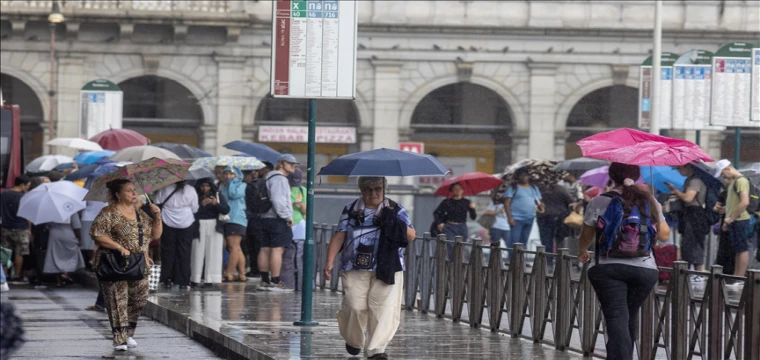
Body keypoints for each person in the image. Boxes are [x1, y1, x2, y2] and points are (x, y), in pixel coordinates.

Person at [578, 163, 670, 360]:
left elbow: (587, 234)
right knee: (629, 314)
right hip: (645, 269)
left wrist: (582, 250)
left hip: (608, 267)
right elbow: (663, 235)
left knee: (617, 315)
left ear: (612, 176)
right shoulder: (649, 200)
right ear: (637, 176)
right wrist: (659, 212)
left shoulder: (599, 201)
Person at [324, 176, 415, 359]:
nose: (373, 193)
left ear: (384, 189)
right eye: (368, 189)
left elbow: (411, 235)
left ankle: (376, 350)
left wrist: (391, 220)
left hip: (387, 267)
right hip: (354, 265)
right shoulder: (351, 209)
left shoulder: (395, 209)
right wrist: (329, 261)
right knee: (354, 306)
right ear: (361, 190)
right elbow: (340, 235)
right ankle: (354, 340)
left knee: (382, 309)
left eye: (378, 189)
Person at [90, 179, 162, 351]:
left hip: (138, 263)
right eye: (129, 191)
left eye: (134, 190)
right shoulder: (108, 212)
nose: (133, 193)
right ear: (118, 194)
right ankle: (120, 338)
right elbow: (97, 234)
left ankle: (129, 333)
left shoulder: (140, 214)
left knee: (139, 298)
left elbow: (155, 235)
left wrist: (157, 216)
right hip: (115, 263)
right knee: (117, 300)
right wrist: (119, 247)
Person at [257, 154, 297, 291]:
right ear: (281, 164)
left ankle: (264, 280)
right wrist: (287, 217)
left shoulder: (268, 177)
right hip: (277, 218)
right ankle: (275, 281)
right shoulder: (280, 179)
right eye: (290, 163)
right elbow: (278, 200)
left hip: (264, 217)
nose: (293, 166)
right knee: (277, 249)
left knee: (265, 248)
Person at [666, 164, 709, 279]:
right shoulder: (688, 180)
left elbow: (688, 198)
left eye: (680, 168)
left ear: (688, 167)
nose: (679, 171)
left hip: (695, 215)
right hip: (688, 215)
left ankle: (698, 274)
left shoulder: (695, 181)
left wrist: (675, 191)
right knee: (687, 245)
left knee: (694, 244)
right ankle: (689, 271)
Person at [155, 181, 199, 289]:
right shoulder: (190, 189)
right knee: (184, 252)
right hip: (187, 221)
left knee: (167, 251)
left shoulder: (165, 188)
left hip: (167, 220)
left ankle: (167, 278)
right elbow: (195, 208)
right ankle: (184, 280)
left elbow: (157, 202)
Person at [714, 160, 751, 285]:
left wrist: (732, 217)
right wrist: (727, 221)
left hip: (739, 219)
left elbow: (744, 202)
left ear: (727, 169)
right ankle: (736, 276)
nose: (724, 176)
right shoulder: (735, 182)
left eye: (723, 173)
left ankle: (740, 277)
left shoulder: (741, 181)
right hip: (734, 220)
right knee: (737, 249)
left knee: (742, 248)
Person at [191, 179, 229, 286]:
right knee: (197, 252)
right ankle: (195, 278)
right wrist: (201, 204)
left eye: (207, 186)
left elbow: (226, 210)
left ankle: (211, 278)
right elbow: (192, 211)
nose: (205, 188)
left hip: (214, 225)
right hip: (199, 225)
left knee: (214, 252)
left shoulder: (218, 196)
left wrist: (215, 204)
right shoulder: (196, 196)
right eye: (203, 186)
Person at [245, 161, 274, 278]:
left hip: (254, 218)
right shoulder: (267, 184)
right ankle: (260, 271)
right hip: (262, 218)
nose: (256, 172)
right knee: (258, 246)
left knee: (256, 246)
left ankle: (256, 269)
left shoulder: (255, 184)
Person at [0, 175, 32, 281]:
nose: (27, 188)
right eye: (27, 186)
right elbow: (28, 215)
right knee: (19, 253)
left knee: (5, 252)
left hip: (5, 227)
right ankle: (17, 275)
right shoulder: (24, 197)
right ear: (22, 184)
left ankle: (5, 275)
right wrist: (29, 229)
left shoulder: (3, 194)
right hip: (21, 228)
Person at [43, 211, 85, 287]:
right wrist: (79, 238)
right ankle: (65, 273)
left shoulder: (51, 209)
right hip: (68, 232)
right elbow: (76, 225)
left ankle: (58, 281)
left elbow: (47, 225)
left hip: (54, 234)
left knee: (55, 256)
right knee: (69, 254)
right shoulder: (71, 208)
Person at [434, 182, 477, 258]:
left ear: (463, 190)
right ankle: (451, 266)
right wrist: (439, 223)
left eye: (460, 188)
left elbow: (473, 217)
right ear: (451, 191)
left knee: (461, 247)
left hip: (462, 227)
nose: (458, 190)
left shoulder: (466, 202)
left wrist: (472, 208)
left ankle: (459, 266)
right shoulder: (446, 202)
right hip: (449, 227)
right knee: (451, 246)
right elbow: (437, 213)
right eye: (455, 189)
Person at [220, 166, 248, 282]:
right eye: (226, 174)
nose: (228, 177)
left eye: (231, 174)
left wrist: (232, 183)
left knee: (233, 247)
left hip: (236, 219)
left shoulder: (242, 185)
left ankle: (229, 273)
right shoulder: (223, 186)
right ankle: (242, 274)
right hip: (227, 219)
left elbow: (233, 195)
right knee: (237, 248)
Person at [504, 169, 544, 249]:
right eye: (521, 175)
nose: (523, 177)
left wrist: (541, 206)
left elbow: (539, 201)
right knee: (514, 242)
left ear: (529, 176)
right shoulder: (513, 187)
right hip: (516, 219)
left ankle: (521, 260)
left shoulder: (534, 188)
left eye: (525, 175)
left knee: (524, 242)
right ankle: (512, 260)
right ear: (517, 177)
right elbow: (507, 203)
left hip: (530, 218)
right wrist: (510, 218)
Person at [536, 184, 574, 266]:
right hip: (559, 217)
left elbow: (535, 201)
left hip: (543, 216)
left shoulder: (539, 189)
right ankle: (560, 260)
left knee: (546, 240)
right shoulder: (561, 189)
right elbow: (570, 201)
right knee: (559, 239)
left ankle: (548, 261)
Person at [281, 168, 306, 290]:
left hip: (299, 227)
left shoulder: (302, 190)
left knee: (300, 258)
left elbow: (306, 211)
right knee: (286, 258)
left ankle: (302, 285)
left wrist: (300, 205)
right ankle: (288, 284)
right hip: (285, 225)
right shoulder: (282, 190)